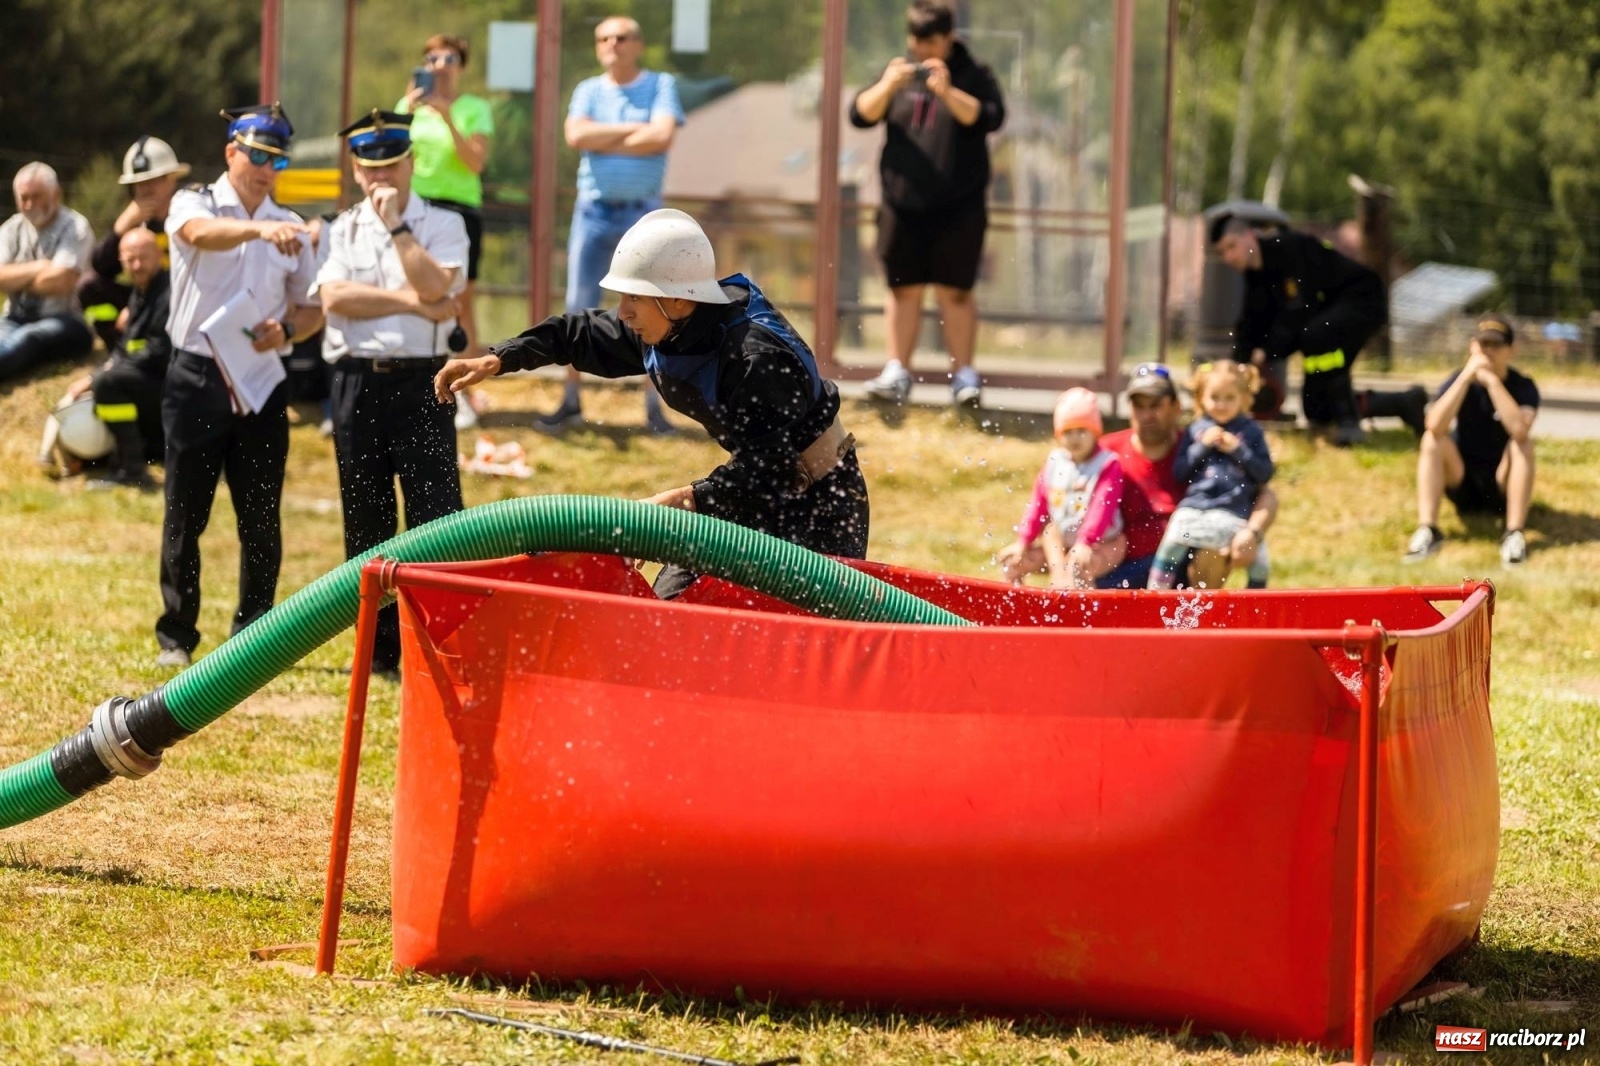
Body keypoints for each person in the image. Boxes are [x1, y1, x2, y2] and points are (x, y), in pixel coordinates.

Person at [435, 209, 868, 598]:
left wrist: (685, 500)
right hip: (749, 489)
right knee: (669, 610)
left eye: (633, 298)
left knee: (799, 652)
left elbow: (770, 473)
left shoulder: (755, 357)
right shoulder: (667, 321)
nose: (622, 312)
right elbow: (577, 334)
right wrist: (500, 357)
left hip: (818, 507)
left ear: (679, 298)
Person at [155, 103, 323, 668]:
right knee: (187, 511)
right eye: (256, 154)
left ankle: (253, 637)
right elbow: (198, 234)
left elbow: (311, 306)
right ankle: (177, 635)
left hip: (260, 381)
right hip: (198, 373)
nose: (265, 168)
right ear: (231, 151)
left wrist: (289, 329)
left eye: (276, 159)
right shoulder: (195, 200)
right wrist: (258, 229)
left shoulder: (290, 225)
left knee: (260, 515)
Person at [316, 110, 469, 673]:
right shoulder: (344, 226)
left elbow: (437, 283)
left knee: (436, 516)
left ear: (410, 164)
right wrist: (413, 303)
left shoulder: (444, 224)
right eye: (369, 168)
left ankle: (439, 644)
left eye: (392, 166)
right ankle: (379, 652)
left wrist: (401, 231)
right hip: (357, 380)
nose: (382, 179)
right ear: (356, 170)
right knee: (366, 519)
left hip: (423, 379)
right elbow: (335, 299)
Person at [534, 14, 685, 436]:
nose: (612, 45)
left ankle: (655, 407)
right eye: (604, 38)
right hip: (593, 212)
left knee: (655, 307)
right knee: (578, 307)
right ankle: (570, 401)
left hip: (644, 215)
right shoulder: (587, 90)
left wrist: (605, 136)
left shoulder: (661, 85)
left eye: (621, 37)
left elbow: (662, 138)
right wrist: (636, 130)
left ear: (638, 44)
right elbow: (576, 136)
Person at [852, 0, 1006, 408]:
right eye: (916, 42)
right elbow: (860, 114)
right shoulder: (899, 72)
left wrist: (947, 90)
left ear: (949, 37)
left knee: (956, 291)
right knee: (903, 289)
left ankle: (965, 376)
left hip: (959, 207)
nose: (923, 51)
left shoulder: (975, 74)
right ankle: (897, 370)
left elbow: (990, 116)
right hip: (902, 205)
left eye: (931, 42)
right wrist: (888, 85)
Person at [1212, 213, 1427, 445]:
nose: (1229, 257)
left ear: (1250, 236)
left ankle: (1349, 423)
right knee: (1317, 409)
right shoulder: (1254, 278)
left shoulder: (1288, 248)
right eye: (1223, 252)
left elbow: (1298, 310)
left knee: (1317, 335)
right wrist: (1235, 367)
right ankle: (1405, 403)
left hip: (1362, 301)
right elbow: (1250, 323)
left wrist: (1266, 351)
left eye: (1231, 246)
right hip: (1324, 322)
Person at [397, 32, 493, 430]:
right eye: (432, 57)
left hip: (460, 210)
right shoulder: (410, 105)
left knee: (460, 303)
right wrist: (409, 109)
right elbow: (394, 156)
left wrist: (446, 116)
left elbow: (475, 163)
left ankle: (464, 394)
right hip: (418, 209)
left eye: (448, 57)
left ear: (462, 65)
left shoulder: (475, 108)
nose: (439, 64)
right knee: (411, 292)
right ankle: (414, 387)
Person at [1404, 315, 1539, 567]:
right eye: (1483, 343)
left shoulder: (1523, 386)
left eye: (1496, 345)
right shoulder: (1457, 381)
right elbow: (1434, 425)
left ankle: (1513, 534)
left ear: (1511, 350)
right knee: (1431, 440)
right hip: (1462, 479)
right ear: (1472, 346)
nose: (1488, 351)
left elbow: (1519, 430)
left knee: (1523, 444)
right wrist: (1466, 377)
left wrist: (1492, 382)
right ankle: (1428, 530)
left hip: (1502, 485)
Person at [1148, 361, 1274, 590]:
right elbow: (1179, 472)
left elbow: (1264, 473)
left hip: (1233, 510)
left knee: (1261, 563)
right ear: (1201, 399)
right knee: (1171, 544)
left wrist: (1238, 449)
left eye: (1229, 398)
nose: (1221, 405)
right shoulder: (1196, 430)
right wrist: (1201, 446)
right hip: (1196, 506)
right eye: (1215, 397)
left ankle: (1257, 603)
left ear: (1243, 398)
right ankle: (1155, 597)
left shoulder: (1251, 431)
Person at [999, 387, 1126, 589]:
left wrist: (1085, 542)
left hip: (1103, 544)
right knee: (1012, 563)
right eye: (1068, 432)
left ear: (1095, 431)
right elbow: (1038, 505)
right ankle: (1019, 606)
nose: (1075, 438)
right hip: (1062, 545)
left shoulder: (1107, 465)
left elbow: (1101, 509)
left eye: (1082, 431)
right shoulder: (1055, 463)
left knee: (1078, 566)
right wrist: (1023, 542)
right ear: (1058, 434)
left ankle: (1083, 611)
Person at [75, 228, 171, 490]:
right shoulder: (141, 290)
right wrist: (93, 375)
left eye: (144, 257)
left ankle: (132, 470)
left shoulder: (168, 293)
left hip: (173, 388)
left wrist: (100, 378)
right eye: (130, 259)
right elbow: (126, 346)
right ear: (121, 261)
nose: (137, 265)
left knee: (109, 383)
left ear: (160, 256)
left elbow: (159, 351)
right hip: (153, 383)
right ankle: (124, 457)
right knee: (105, 379)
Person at [78, 136, 189, 351]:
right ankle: (122, 352)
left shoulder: (188, 215)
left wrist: (138, 307)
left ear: (172, 179)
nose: (145, 190)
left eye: (153, 181)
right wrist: (123, 225)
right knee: (89, 287)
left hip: (180, 301)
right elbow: (101, 266)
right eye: (138, 184)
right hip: (143, 298)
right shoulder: (134, 224)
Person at [0, 162, 95, 384]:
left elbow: (60, 281)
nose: (30, 204)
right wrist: (39, 267)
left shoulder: (75, 227)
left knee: (28, 338)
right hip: (14, 318)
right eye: (24, 198)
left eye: (38, 196)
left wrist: (14, 278)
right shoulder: (10, 229)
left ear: (56, 194)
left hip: (67, 320)